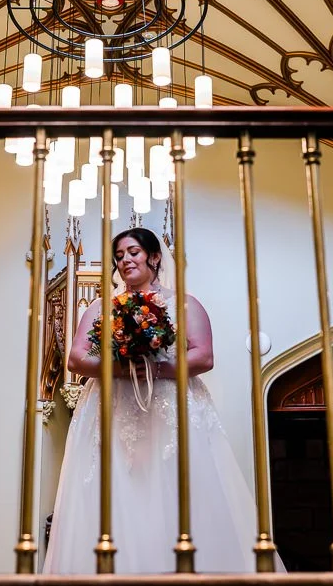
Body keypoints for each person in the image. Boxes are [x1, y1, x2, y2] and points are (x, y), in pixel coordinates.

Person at [41, 226, 282, 574]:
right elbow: (77, 359)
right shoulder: (100, 307)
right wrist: (124, 368)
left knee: (174, 485)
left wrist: (155, 369)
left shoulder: (182, 303)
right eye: (120, 256)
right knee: (114, 486)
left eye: (134, 252)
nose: (125, 261)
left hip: (168, 404)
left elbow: (203, 357)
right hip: (113, 405)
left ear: (154, 257)